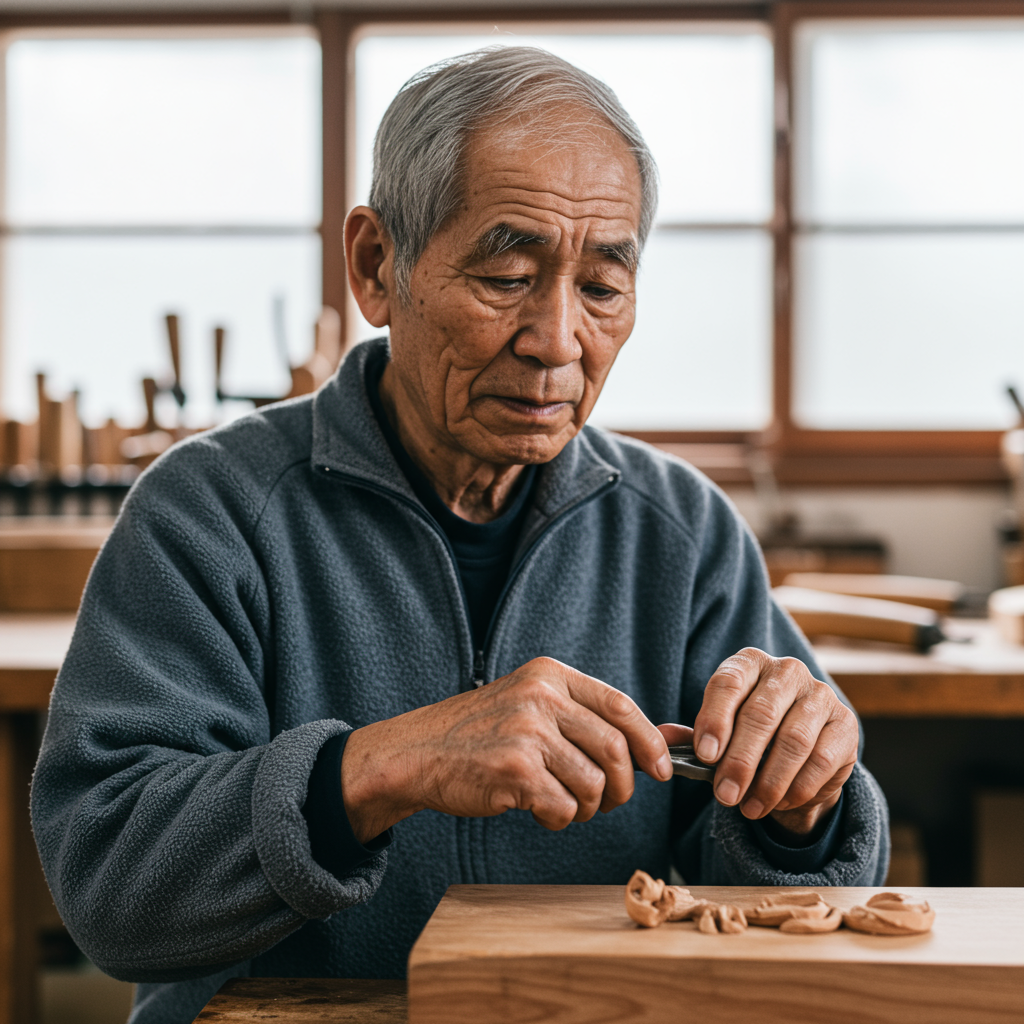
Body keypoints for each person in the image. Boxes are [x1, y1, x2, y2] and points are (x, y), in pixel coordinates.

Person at [31, 46, 888, 1024]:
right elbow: (108, 889)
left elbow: (790, 915)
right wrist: (377, 769)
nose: (557, 340)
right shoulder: (209, 513)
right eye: (507, 274)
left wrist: (800, 813)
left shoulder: (681, 532)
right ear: (376, 266)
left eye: (602, 289)